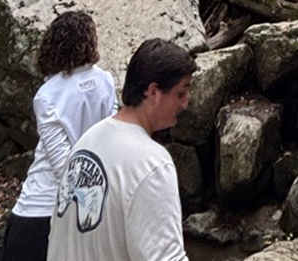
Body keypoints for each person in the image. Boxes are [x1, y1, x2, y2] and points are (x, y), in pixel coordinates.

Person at [47, 38, 197, 261]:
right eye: (180, 93)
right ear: (154, 92)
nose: (185, 103)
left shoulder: (87, 141)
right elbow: (166, 257)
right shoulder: (152, 164)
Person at [2, 11, 117, 261]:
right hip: (90, 209)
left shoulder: (49, 95)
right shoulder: (105, 81)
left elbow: (63, 165)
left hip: (41, 207)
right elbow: (114, 138)